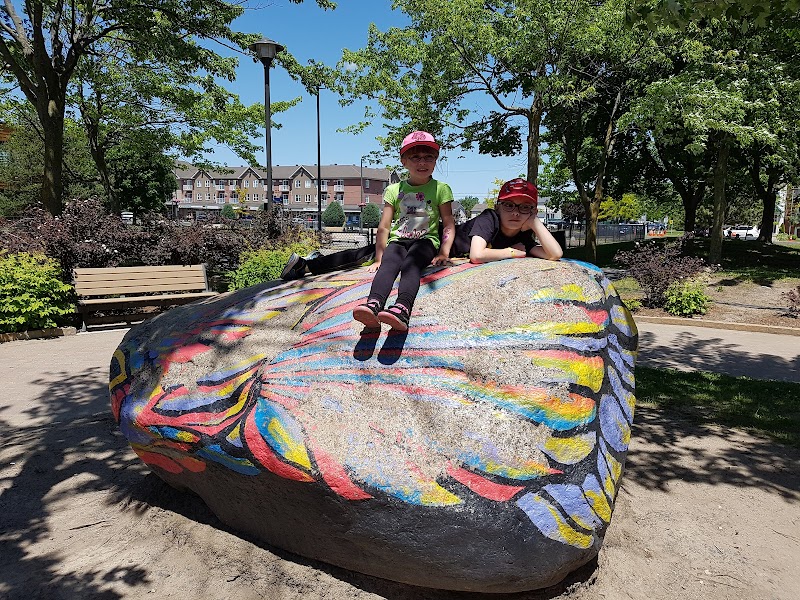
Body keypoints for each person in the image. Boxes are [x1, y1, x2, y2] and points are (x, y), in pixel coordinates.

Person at [281, 177, 563, 279]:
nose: (516, 213)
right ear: (498, 206)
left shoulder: (526, 228)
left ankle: (315, 263)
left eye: (525, 207)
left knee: (370, 254)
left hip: (436, 251)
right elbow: (477, 254)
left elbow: (553, 254)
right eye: (510, 206)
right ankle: (310, 266)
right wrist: (514, 254)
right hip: (433, 241)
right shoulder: (489, 218)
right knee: (369, 253)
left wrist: (536, 223)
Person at [351, 131, 455, 332]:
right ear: (404, 161)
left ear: (435, 161)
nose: (422, 162)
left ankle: (402, 308)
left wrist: (444, 252)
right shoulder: (394, 189)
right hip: (398, 241)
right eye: (415, 157)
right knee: (389, 264)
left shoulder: (441, 189)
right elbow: (384, 226)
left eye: (428, 157)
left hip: (426, 241)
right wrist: (379, 258)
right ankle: (373, 305)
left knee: (411, 265)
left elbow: (449, 223)